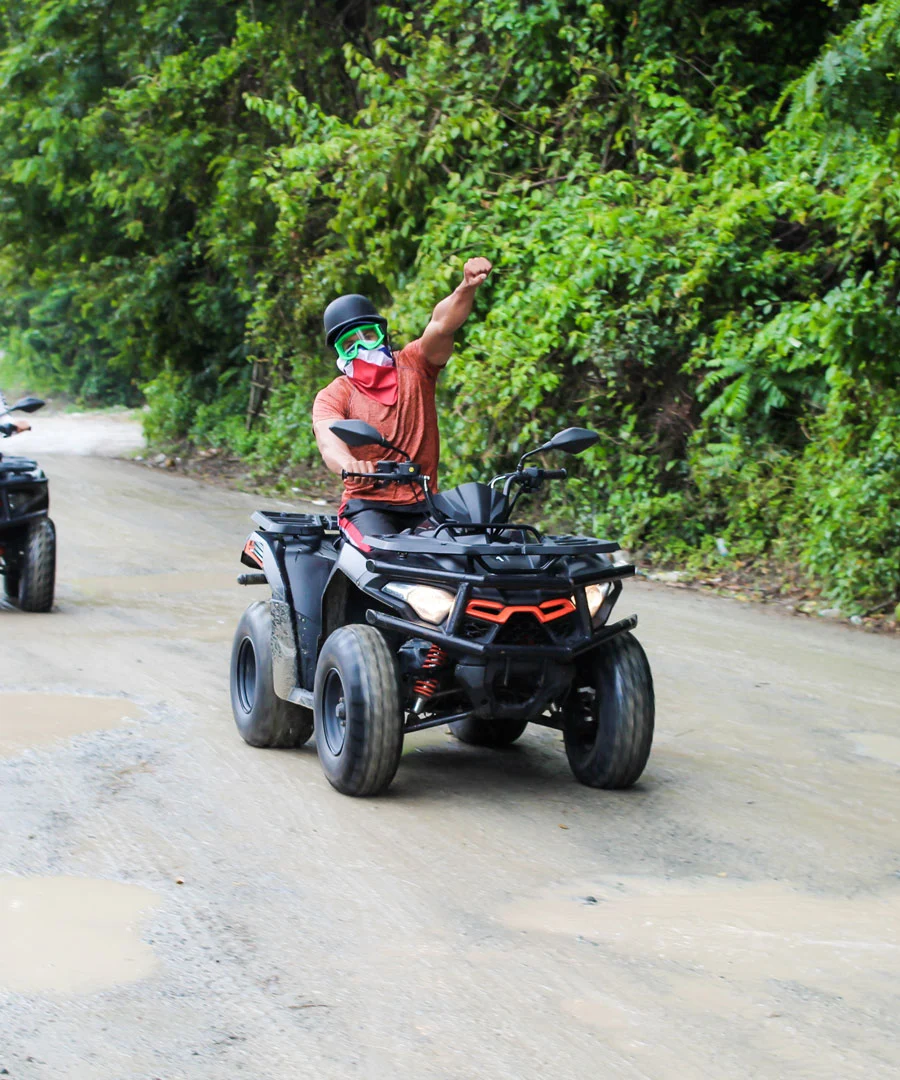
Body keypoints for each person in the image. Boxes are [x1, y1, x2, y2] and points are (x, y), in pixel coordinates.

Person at [312, 256, 492, 546]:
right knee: (381, 555)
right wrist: (349, 463)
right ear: (339, 353)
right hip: (367, 506)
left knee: (466, 553)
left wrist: (466, 288)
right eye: (349, 344)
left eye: (367, 335)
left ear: (382, 334)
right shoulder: (336, 393)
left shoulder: (416, 365)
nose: (361, 347)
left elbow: (441, 325)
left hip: (424, 503)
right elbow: (327, 437)